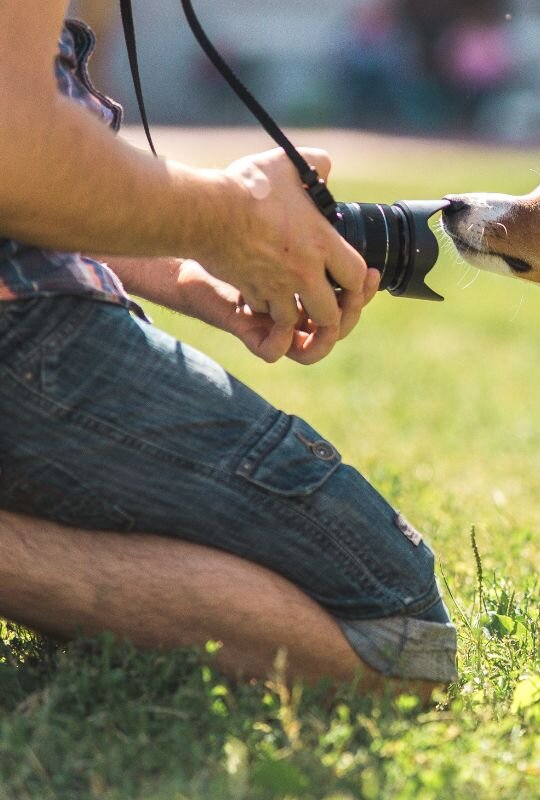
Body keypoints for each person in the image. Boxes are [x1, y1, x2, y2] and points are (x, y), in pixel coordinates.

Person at [0, 2, 457, 695]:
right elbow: (17, 145)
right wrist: (227, 215)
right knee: (400, 636)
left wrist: (186, 266)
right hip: (23, 335)